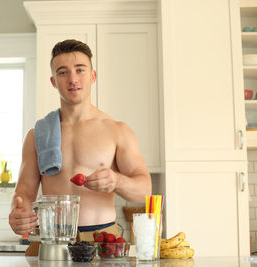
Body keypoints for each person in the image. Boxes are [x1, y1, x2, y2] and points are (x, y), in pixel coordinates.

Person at [8, 39, 151, 255]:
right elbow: (24, 192)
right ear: (53, 81)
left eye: (80, 70)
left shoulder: (117, 131)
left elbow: (145, 190)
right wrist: (17, 213)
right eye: (63, 72)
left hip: (102, 241)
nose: (73, 79)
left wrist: (116, 180)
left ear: (93, 76)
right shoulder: (37, 135)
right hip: (51, 242)